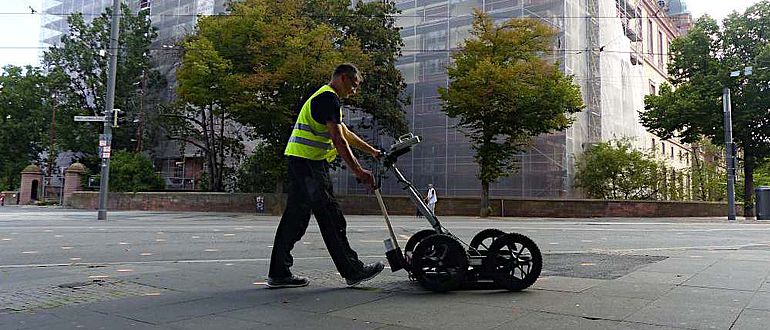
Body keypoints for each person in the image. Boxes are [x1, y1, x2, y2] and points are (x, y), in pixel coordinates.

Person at [267, 63, 385, 289]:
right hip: (308, 165)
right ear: (342, 78)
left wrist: (372, 152)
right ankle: (352, 270)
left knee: (296, 219)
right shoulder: (328, 98)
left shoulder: (326, 98)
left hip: (304, 163)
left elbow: (346, 134)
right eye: (354, 84)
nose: (355, 90)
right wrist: (359, 171)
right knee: (331, 216)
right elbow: (338, 140)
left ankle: (279, 272)